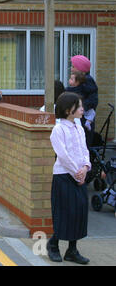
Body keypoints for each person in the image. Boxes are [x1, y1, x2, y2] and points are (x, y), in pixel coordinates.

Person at [47, 92, 90, 265]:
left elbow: (84, 149)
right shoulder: (58, 130)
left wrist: (86, 168)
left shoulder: (79, 127)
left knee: (79, 212)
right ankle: (53, 245)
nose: (82, 109)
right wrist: (77, 172)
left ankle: (72, 250)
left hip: (79, 175)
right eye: (78, 106)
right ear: (67, 110)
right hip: (64, 176)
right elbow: (62, 155)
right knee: (64, 212)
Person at [70, 55, 98, 147]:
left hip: (85, 120)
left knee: (83, 144)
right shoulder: (83, 81)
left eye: (73, 67)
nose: (71, 69)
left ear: (80, 70)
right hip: (82, 118)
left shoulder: (87, 81)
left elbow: (92, 100)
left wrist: (81, 108)